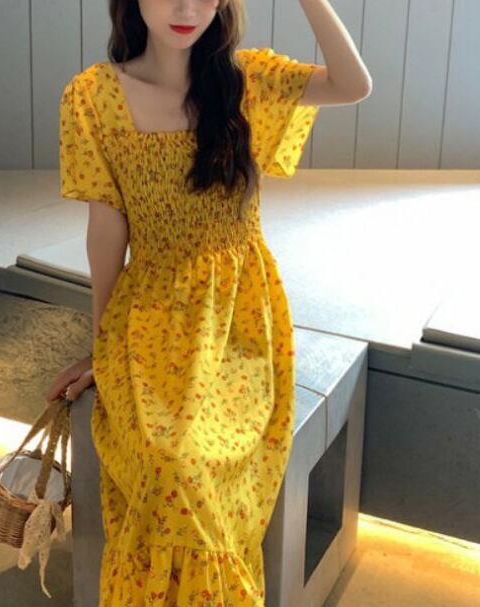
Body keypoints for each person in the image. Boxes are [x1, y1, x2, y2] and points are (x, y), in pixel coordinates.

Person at [47, 0, 371, 603]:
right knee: (162, 460)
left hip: (238, 317)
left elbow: (354, 85)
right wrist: (103, 349)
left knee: (193, 464)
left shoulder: (248, 81)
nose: (186, 7)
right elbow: (106, 230)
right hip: (149, 308)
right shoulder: (92, 97)